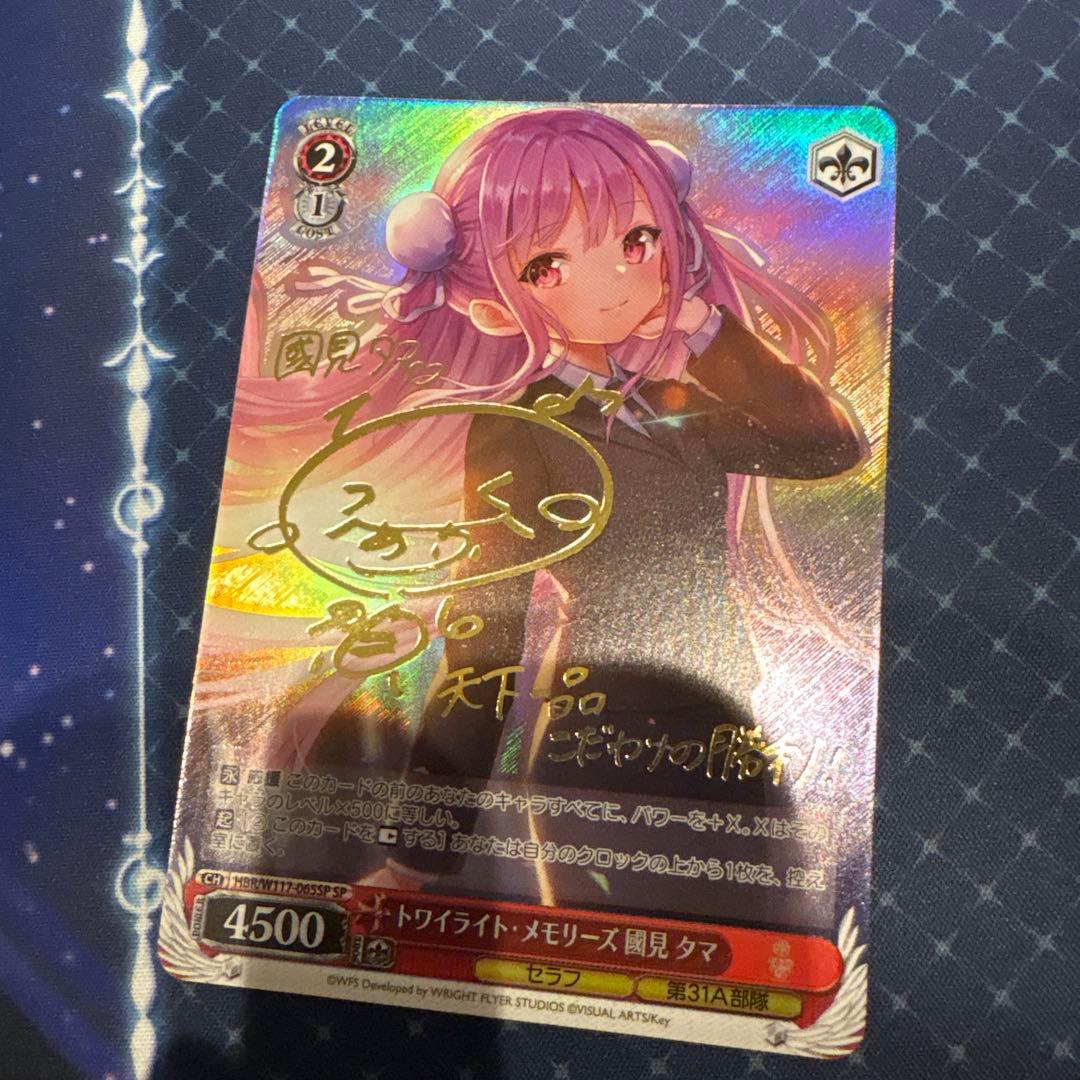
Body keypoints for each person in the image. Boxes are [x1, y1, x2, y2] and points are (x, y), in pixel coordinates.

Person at [267, 108, 867, 905]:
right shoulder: (518, 430)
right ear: (492, 305)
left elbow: (829, 447)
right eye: (548, 264)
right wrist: (419, 855)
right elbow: (485, 641)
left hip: (727, 729)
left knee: (743, 948)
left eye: (637, 240)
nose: (617, 277)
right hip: (600, 747)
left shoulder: (680, 404)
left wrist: (709, 329)